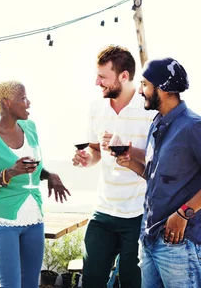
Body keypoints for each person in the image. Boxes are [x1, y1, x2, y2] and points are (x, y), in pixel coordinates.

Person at [72, 45, 155, 288]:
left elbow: (160, 158)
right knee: (92, 281)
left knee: (134, 282)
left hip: (139, 212)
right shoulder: (96, 108)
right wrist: (87, 158)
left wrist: (126, 148)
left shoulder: (149, 109)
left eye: (103, 77)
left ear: (124, 76)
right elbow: (95, 149)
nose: (97, 82)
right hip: (103, 210)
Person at [0, 80, 70, 288]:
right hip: (2, 222)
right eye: (23, 98)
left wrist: (49, 175)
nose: (29, 103)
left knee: (30, 285)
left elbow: (34, 168)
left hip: (34, 219)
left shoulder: (30, 127)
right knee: (11, 285)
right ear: (7, 103)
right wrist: (9, 173)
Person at [115, 57, 201, 287]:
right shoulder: (157, 123)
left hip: (180, 245)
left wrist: (184, 213)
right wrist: (131, 164)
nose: (141, 91)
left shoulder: (193, 126)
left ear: (162, 88)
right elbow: (156, 177)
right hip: (150, 239)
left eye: (145, 85)